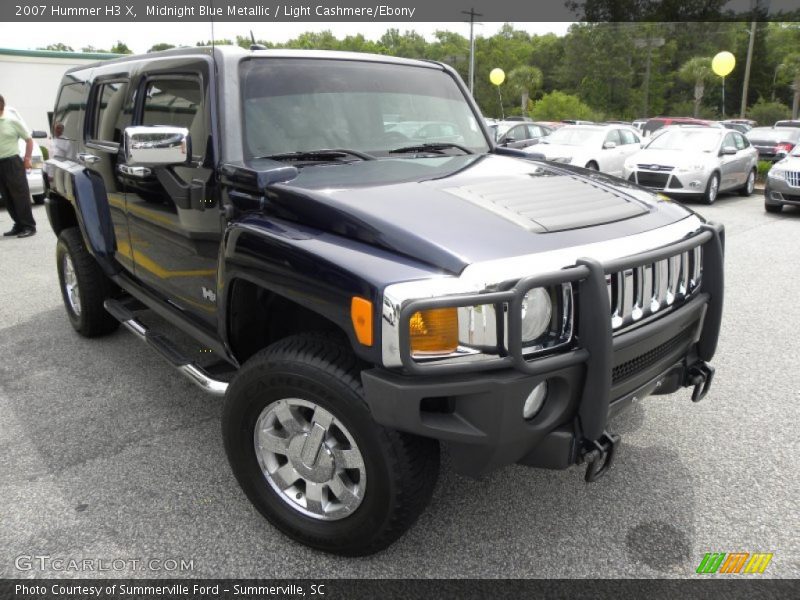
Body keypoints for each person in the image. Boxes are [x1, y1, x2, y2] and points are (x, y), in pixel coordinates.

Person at [0, 94, 37, 238]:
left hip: (12, 162)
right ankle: (18, 224)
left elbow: (28, 140)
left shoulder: (11, 121)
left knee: (20, 195)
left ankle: (29, 226)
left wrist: (27, 159)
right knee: (7, 196)